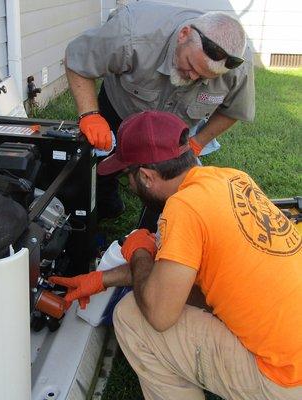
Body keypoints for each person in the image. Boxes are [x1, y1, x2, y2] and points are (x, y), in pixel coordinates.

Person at [50, 111, 302, 400]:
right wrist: (102, 279)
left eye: (127, 178)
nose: (130, 187)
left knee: (132, 316)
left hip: (285, 380)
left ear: (145, 176)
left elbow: (159, 314)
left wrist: (140, 251)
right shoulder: (232, 178)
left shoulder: (183, 208)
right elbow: (177, 274)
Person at [65, 1, 255, 219]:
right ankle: (106, 202)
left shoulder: (239, 68)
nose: (193, 77)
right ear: (183, 34)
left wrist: (198, 142)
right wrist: (90, 115)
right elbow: (77, 59)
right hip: (123, 107)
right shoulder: (131, 32)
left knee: (171, 180)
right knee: (102, 160)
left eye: (204, 77)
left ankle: (158, 220)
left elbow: (234, 110)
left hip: (177, 127)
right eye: (191, 66)